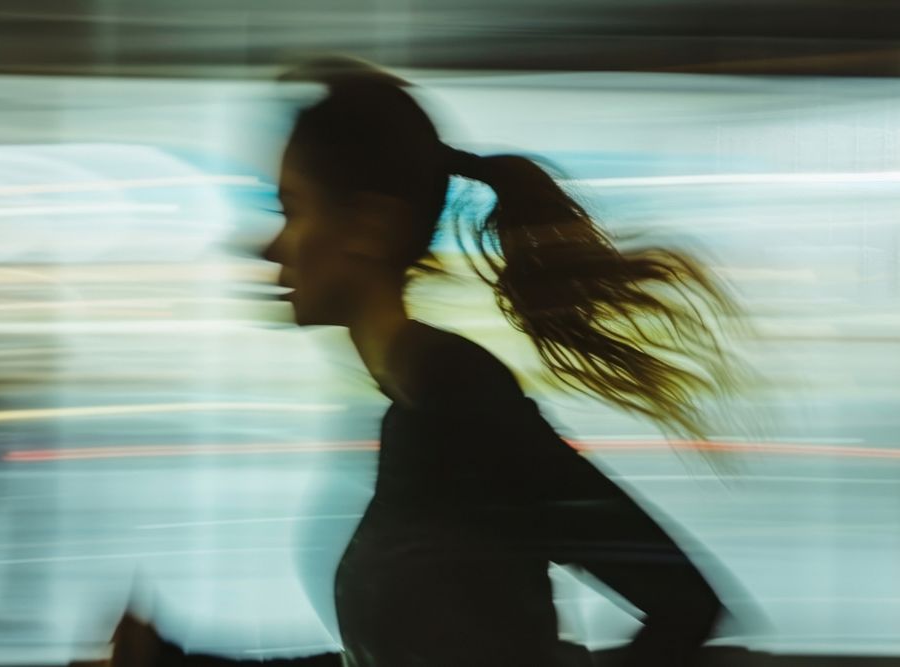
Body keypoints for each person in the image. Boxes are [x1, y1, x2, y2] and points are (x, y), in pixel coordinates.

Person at [104, 57, 749, 667]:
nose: (271, 245)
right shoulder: (421, 402)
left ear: (370, 229)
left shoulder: (454, 406)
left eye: (293, 210)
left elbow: (682, 604)